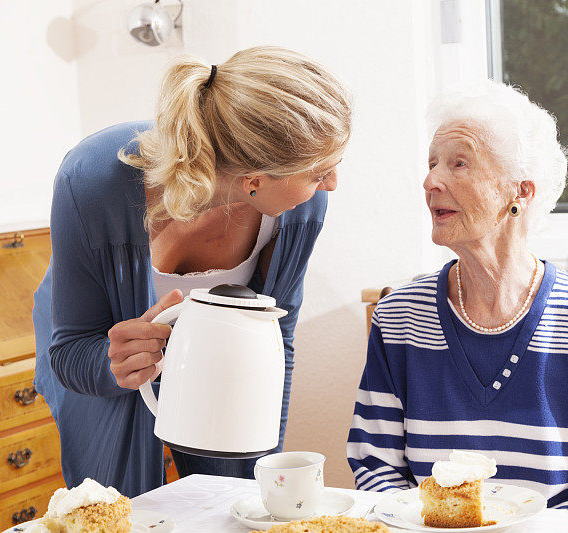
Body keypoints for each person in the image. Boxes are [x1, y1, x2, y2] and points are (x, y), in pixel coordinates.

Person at [32, 46, 352, 497]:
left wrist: (257, 463)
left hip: (214, 359)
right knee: (113, 501)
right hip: (94, 350)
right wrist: (118, 363)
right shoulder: (92, 182)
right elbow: (69, 354)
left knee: (229, 498)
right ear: (253, 180)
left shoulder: (298, 211)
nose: (332, 184)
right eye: (320, 172)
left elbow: (276, 342)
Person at [347, 80, 568, 518]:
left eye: (458, 164)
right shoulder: (401, 317)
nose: (430, 180)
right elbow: (375, 464)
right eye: (432, 163)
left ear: (521, 192)